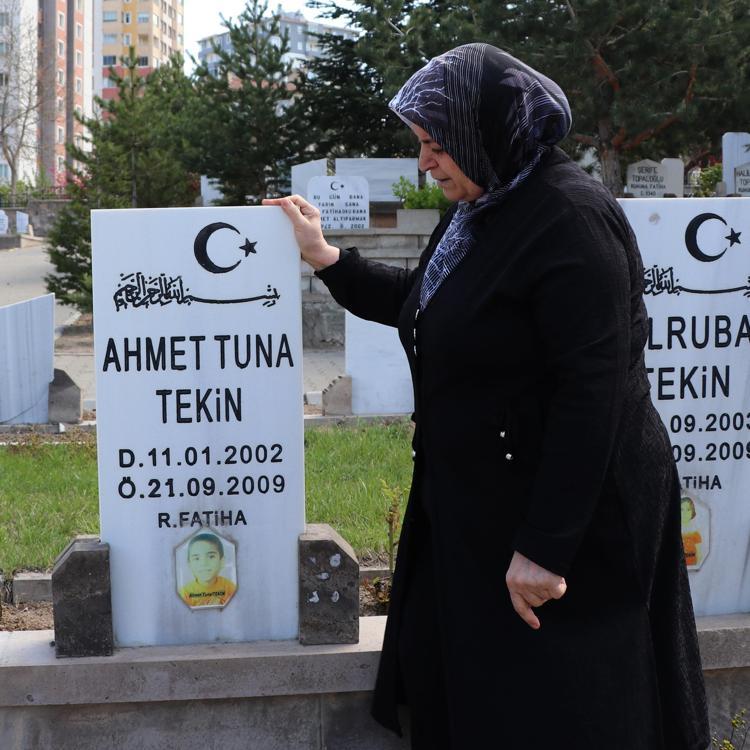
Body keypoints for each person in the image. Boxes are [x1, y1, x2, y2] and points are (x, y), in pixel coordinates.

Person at [265, 43, 709, 750]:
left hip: (572, 520)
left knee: (573, 707)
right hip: (490, 498)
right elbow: (427, 302)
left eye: (437, 145)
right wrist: (327, 258)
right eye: (421, 144)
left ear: (488, 133)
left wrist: (546, 548)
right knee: (494, 694)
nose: (424, 163)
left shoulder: (570, 220)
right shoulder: (485, 203)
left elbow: (593, 394)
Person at [179, 532, 237, 608]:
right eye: (197, 558)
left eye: (211, 557)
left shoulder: (229, 587)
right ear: (189, 564)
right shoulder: (184, 593)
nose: (204, 563)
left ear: (222, 561)